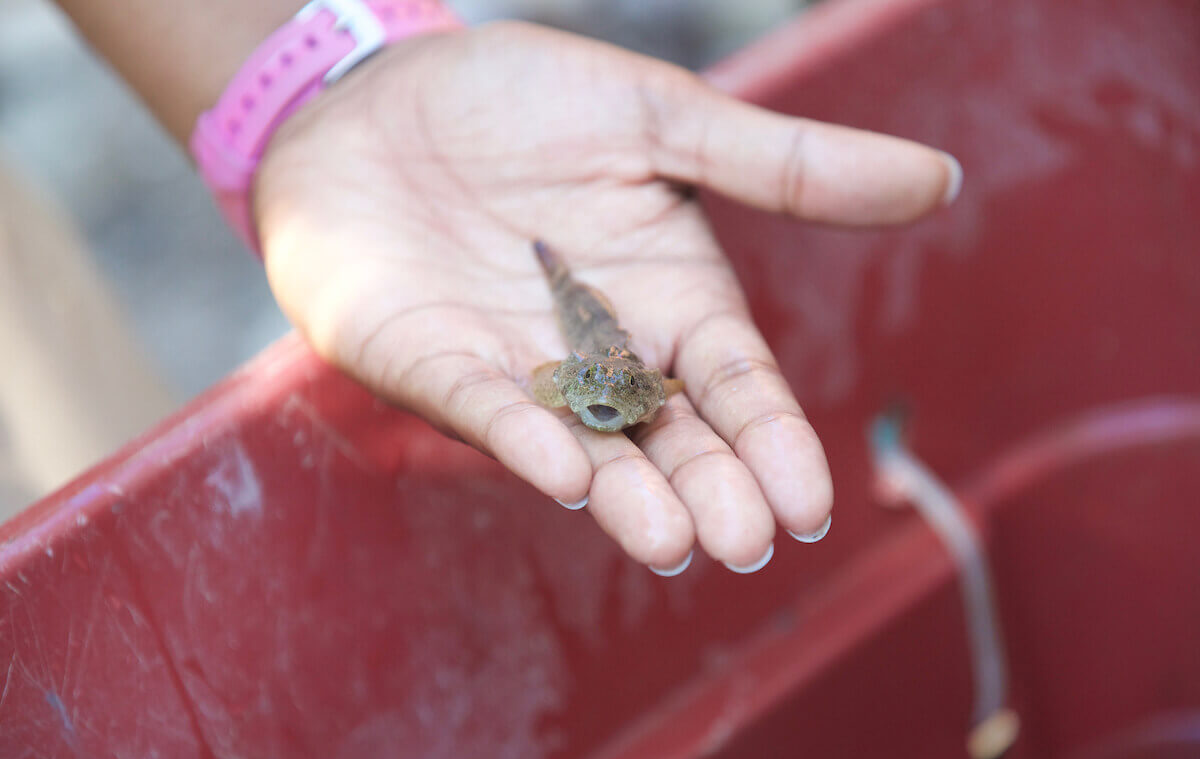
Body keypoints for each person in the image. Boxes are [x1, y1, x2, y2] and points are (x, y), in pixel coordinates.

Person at [49, 0, 960, 574]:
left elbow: (649, 381)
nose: (609, 398)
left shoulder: (633, 379)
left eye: (620, 392)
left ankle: (554, 265)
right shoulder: (578, 379)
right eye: (601, 391)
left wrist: (309, 87)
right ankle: (552, 264)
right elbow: (561, 381)